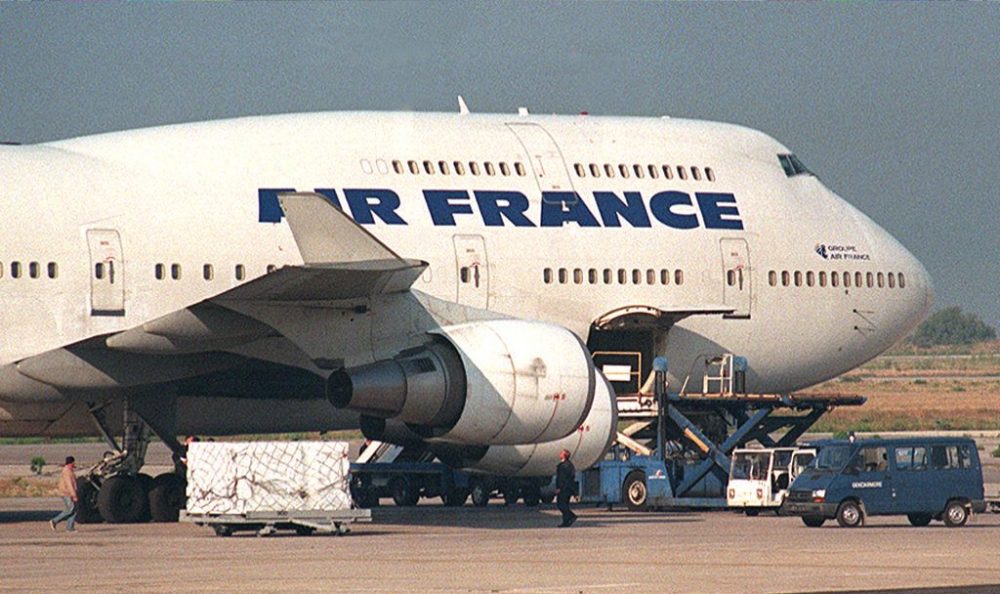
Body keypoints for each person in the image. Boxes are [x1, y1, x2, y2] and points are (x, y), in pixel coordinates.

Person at [49, 456, 78, 532]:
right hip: (66, 493)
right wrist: (74, 495)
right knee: (70, 509)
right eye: (73, 462)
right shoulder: (67, 472)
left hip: (68, 493)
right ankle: (54, 521)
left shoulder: (70, 470)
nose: (74, 463)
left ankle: (70, 527)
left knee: (74, 510)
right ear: (71, 463)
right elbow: (69, 484)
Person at [555, 449, 577, 527]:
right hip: (568, 488)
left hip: (563, 488)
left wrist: (559, 488)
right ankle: (566, 521)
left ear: (564, 455)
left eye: (561, 453)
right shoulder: (569, 465)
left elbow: (561, 478)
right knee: (565, 504)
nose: (560, 454)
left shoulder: (563, 466)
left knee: (561, 505)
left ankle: (571, 516)